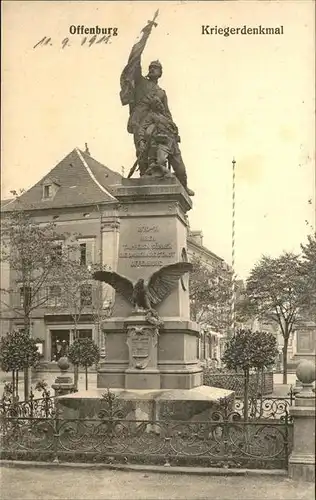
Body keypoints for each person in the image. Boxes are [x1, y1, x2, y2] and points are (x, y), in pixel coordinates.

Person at [137, 98, 195, 196]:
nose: (160, 105)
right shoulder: (151, 116)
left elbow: (175, 129)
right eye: (157, 104)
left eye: (160, 103)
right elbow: (141, 129)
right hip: (162, 143)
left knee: (181, 170)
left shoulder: (167, 118)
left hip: (174, 145)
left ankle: (184, 186)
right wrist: (141, 141)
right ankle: (159, 180)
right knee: (161, 163)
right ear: (154, 106)